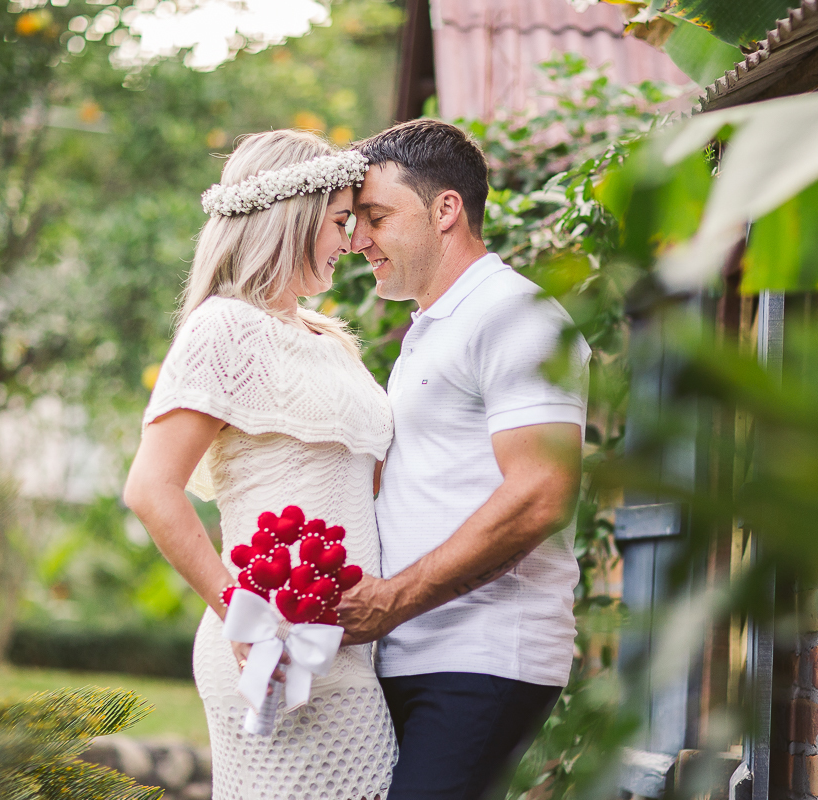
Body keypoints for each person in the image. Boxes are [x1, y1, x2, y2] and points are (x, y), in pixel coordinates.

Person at [124, 129, 397, 800]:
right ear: (293, 218)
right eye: (340, 221)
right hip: (270, 649)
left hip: (352, 650)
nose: (350, 242)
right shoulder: (223, 328)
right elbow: (151, 488)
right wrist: (239, 614)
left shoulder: (329, 340)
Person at [339, 119, 590, 800]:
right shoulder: (432, 327)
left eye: (376, 217)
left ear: (446, 208)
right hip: (416, 652)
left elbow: (542, 492)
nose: (358, 239)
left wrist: (392, 600)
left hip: (484, 655)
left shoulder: (515, 314)